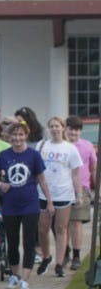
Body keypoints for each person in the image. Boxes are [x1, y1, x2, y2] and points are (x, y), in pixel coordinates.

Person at [0, 120, 52, 289]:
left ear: (26, 135)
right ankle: (15, 275)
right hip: (10, 205)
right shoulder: (3, 155)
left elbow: (42, 179)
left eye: (21, 134)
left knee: (29, 242)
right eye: (14, 135)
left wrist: (49, 202)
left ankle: (25, 278)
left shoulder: (33, 155)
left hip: (30, 204)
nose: (17, 138)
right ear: (9, 137)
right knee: (12, 241)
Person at [35, 116, 83, 278]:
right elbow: (36, 170)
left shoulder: (70, 149)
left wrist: (79, 194)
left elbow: (76, 174)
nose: (55, 129)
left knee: (61, 229)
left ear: (63, 128)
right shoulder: (41, 146)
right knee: (43, 229)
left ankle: (59, 263)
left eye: (58, 126)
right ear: (48, 129)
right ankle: (46, 256)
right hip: (43, 193)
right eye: (52, 126)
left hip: (64, 192)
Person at [64, 115, 97, 271]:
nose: (73, 133)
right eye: (71, 129)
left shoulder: (87, 146)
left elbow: (94, 168)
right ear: (66, 129)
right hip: (61, 189)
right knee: (62, 225)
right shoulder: (61, 146)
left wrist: (96, 188)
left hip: (81, 188)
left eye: (77, 130)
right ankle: (64, 252)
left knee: (76, 223)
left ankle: (76, 255)